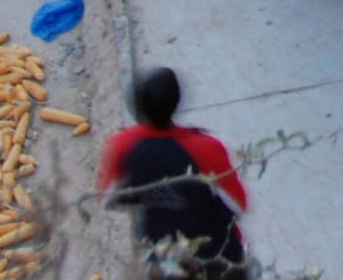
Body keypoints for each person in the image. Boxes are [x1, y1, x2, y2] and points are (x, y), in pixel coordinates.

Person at [97, 66, 247, 277]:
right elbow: (238, 204)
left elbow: (107, 198)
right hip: (217, 255)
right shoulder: (205, 148)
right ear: (177, 102)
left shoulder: (122, 145)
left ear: (136, 107)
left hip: (165, 257)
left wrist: (156, 195)